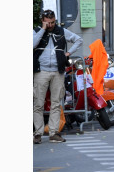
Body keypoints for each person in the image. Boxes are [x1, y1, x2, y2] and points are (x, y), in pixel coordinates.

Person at [33, 10, 83, 144]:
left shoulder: (61, 31)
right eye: (48, 23)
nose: (51, 25)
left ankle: (54, 133)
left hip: (57, 71)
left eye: (53, 22)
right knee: (38, 103)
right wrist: (43, 30)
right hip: (41, 71)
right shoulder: (37, 31)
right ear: (42, 21)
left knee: (56, 103)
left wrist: (69, 53)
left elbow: (79, 40)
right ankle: (38, 133)